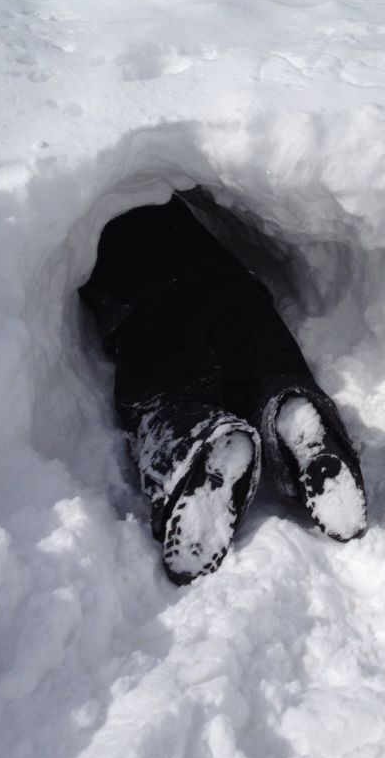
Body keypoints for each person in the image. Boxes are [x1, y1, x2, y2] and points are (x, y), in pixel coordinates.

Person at [79, 192, 367, 585]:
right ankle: (289, 413)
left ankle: (192, 444)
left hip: (147, 304)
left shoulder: (87, 210)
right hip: (234, 289)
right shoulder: (166, 198)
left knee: (167, 396)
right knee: (268, 372)